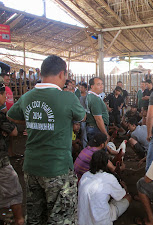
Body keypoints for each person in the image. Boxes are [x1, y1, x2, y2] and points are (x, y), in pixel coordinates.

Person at [7, 55, 86, 224]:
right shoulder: (68, 97)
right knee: (61, 219)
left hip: (31, 167)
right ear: (61, 74)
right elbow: (82, 116)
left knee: (35, 217)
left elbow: (11, 116)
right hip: (57, 169)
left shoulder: (27, 97)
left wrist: (33, 121)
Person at [78, 150, 131, 225]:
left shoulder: (85, 176)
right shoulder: (109, 178)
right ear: (106, 163)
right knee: (128, 197)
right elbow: (122, 196)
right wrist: (125, 187)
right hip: (101, 221)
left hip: (82, 220)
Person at [0, 81, 24, 225]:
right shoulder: (1, 116)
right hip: (1, 161)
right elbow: (14, 131)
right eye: (4, 95)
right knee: (14, 189)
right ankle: (18, 219)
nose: (5, 98)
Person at [86, 77, 109, 141]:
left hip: (93, 128)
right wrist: (105, 134)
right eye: (98, 84)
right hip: (96, 129)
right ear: (92, 86)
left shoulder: (90, 96)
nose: (101, 86)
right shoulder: (95, 99)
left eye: (102, 84)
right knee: (99, 149)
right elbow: (98, 119)